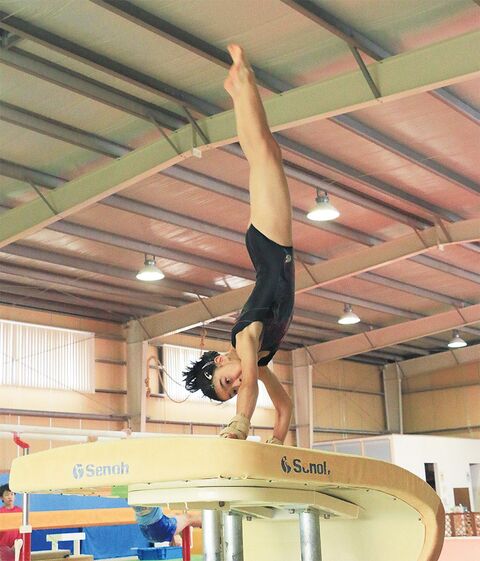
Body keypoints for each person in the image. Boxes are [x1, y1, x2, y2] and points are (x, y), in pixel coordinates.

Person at [183, 44, 294, 444]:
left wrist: (240, 425)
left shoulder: (245, 338)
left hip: (270, 245)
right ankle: (238, 88)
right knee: (265, 153)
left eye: (226, 380)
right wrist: (277, 441)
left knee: (262, 154)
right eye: (231, 390)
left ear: (220, 360)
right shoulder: (259, 361)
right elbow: (284, 405)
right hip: (272, 247)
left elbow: (251, 393)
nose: (237, 383)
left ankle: (242, 83)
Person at [133, 506, 201, 546]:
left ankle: (175, 535)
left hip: (145, 531)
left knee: (175, 515)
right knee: (189, 517)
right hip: (160, 528)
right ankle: (205, 522)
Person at [0, 484, 22, 561]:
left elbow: (23, 530)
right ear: (1, 497)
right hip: (3, 547)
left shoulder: (20, 511)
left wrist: (17, 544)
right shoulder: (1, 512)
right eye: (7, 495)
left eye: (12, 494)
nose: (10, 497)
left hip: (18, 546)